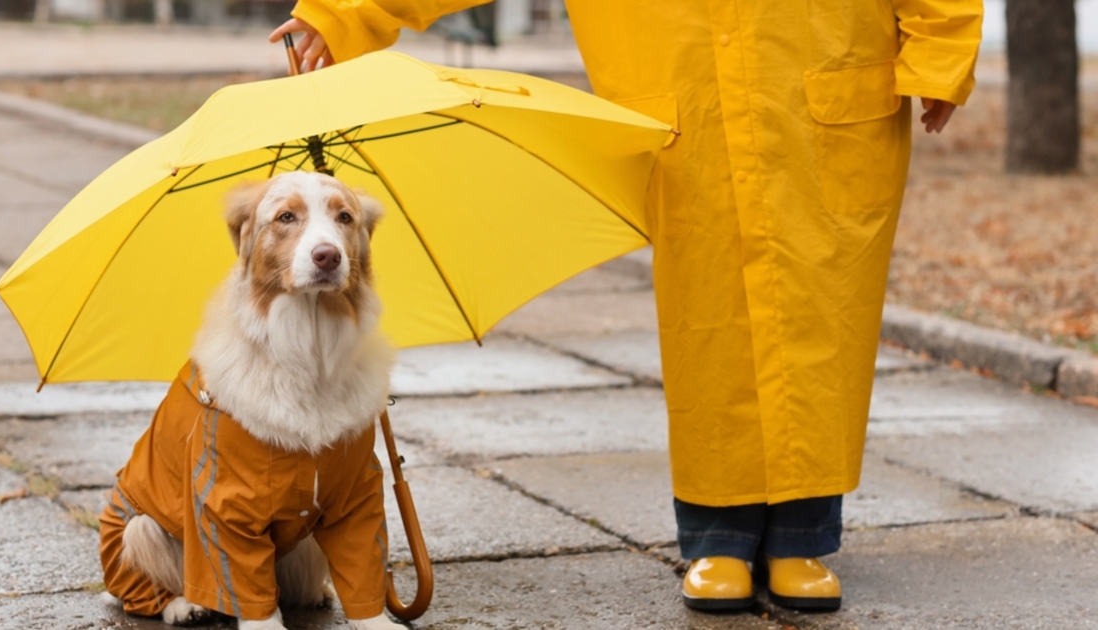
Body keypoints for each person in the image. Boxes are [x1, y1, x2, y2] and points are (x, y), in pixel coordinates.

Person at [271, 0, 982, 612]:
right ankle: (719, 537)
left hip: (820, 94)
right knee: (706, 323)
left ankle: (805, 536)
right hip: (688, 109)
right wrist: (343, 12)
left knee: (820, 320)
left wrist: (940, 47)